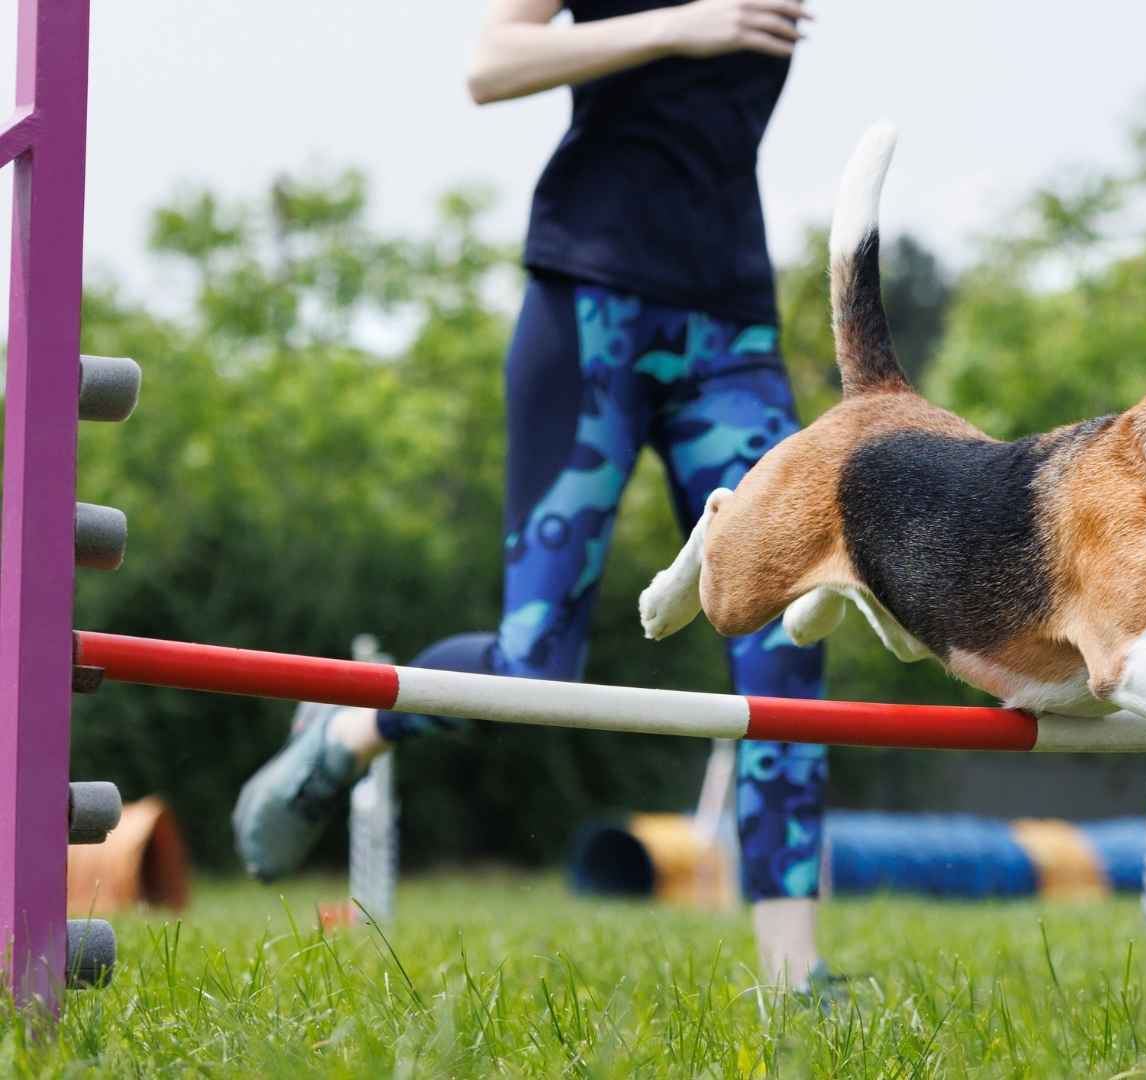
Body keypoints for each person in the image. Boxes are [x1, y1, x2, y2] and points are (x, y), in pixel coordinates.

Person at [231, 0, 835, 994]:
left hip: (731, 329)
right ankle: (346, 731)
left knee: (787, 640)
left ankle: (791, 981)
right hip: (589, 304)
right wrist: (685, 24)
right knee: (531, 665)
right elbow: (492, 64)